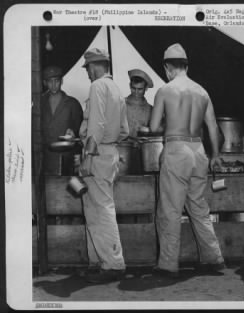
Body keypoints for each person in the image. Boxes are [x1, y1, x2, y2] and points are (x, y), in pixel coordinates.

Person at [150, 43, 225, 277]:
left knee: (170, 210)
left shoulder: (165, 90)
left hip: (176, 149)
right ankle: (213, 258)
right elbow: (213, 127)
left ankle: (168, 264)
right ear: (186, 65)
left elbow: (153, 127)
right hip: (199, 150)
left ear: (167, 67)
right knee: (199, 207)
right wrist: (215, 155)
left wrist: (165, 124)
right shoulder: (202, 92)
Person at [79, 48, 129, 283]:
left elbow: (96, 125)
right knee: (93, 208)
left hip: (96, 154)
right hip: (109, 151)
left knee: (102, 208)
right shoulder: (117, 89)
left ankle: (114, 264)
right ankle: (97, 260)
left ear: (95, 66)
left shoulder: (98, 86)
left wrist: (88, 157)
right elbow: (125, 131)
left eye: (88, 68)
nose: (87, 73)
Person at [40, 66, 83, 175]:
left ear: (62, 81)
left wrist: (73, 133)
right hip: (44, 158)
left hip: (66, 159)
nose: (54, 85)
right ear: (45, 82)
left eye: (57, 81)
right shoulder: (39, 102)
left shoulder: (73, 104)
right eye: (50, 81)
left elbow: (80, 133)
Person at [125, 69, 154, 137]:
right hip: (122, 146)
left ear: (146, 88)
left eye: (140, 89)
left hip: (142, 146)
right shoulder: (120, 105)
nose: (136, 92)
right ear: (130, 86)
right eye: (133, 88)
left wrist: (147, 130)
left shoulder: (151, 110)